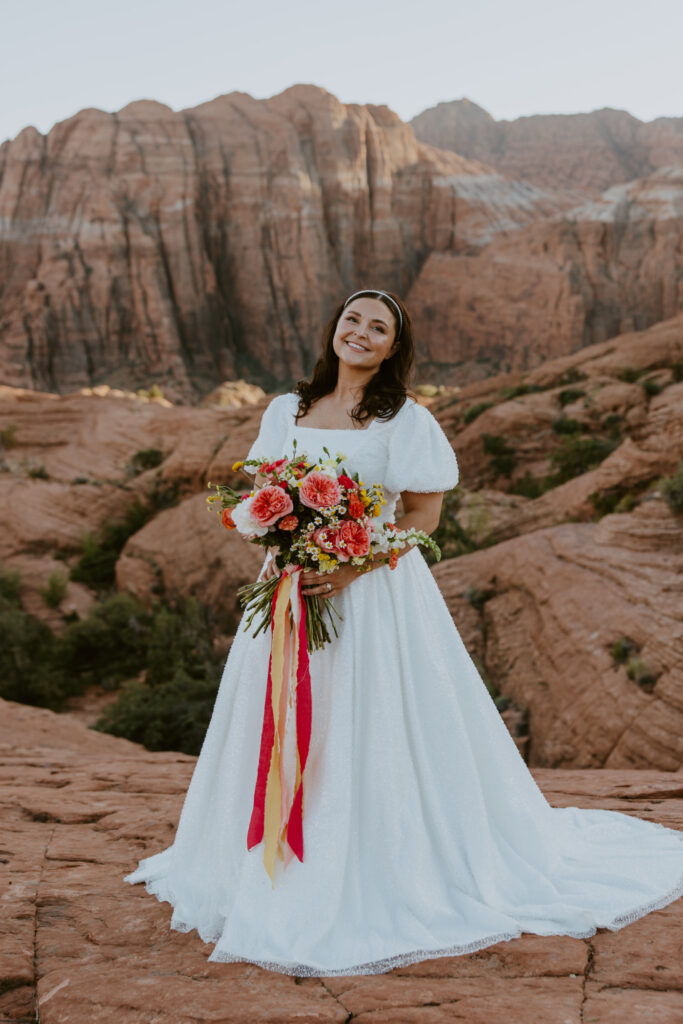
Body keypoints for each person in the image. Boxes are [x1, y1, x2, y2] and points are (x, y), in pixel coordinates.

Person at [124, 288, 683, 977]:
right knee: (281, 714)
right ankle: (261, 860)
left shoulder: (405, 420)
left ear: (393, 349)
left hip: (375, 598)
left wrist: (354, 564)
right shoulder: (284, 411)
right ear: (335, 329)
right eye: (352, 319)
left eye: (377, 328)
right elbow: (260, 495)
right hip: (290, 590)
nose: (359, 332)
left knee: (370, 719)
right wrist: (284, 538)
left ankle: (368, 863)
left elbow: (423, 515)